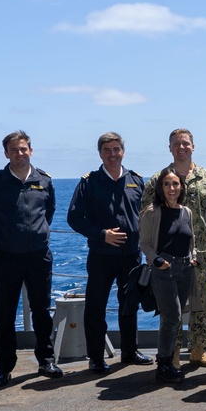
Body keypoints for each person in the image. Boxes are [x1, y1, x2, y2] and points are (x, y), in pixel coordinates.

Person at [0, 131, 61, 386]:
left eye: (23, 149)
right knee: (5, 313)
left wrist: (35, 236)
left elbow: (49, 212)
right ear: (6, 153)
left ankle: (46, 361)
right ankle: (3, 368)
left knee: (41, 311)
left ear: (31, 150)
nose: (19, 153)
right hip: (7, 257)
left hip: (38, 257)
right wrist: (4, 240)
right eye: (14, 150)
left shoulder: (44, 180)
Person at [68, 132, 153, 374]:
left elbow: (147, 214)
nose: (112, 155)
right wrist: (102, 234)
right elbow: (74, 217)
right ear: (100, 154)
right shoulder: (89, 182)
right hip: (101, 255)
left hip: (131, 255)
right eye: (107, 150)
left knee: (129, 303)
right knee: (96, 306)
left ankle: (129, 351)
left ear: (123, 151)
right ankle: (96, 357)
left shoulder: (136, 180)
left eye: (116, 149)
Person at [142, 129, 206, 369]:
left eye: (186, 143)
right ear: (170, 148)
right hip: (169, 256)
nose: (181, 147)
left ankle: (198, 349)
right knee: (170, 308)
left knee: (202, 302)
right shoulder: (159, 179)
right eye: (176, 144)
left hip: (202, 252)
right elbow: (145, 214)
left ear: (193, 146)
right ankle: (171, 352)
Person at [139, 168, 196, 384]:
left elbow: (189, 239)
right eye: (167, 184)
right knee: (171, 317)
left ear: (181, 187)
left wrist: (193, 257)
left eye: (175, 184)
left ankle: (167, 362)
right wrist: (157, 261)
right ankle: (163, 364)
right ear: (160, 188)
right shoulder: (152, 212)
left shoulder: (186, 212)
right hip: (164, 269)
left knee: (175, 317)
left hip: (185, 269)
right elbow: (144, 243)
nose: (171, 188)